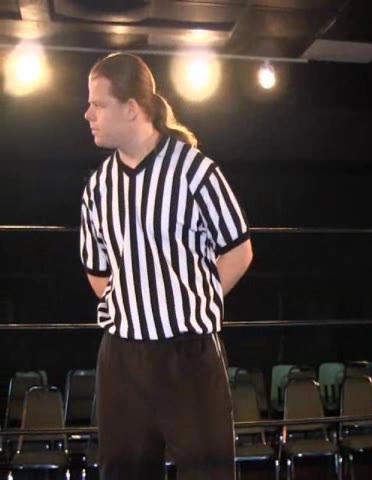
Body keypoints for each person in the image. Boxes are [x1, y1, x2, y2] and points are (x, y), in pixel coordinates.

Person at [79, 52, 253, 480]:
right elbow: (97, 269)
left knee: (208, 472)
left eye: (98, 104)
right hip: (122, 358)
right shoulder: (98, 186)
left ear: (131, 108)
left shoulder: (195, 172)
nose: (88, 114)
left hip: (188, 354)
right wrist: (135, 304)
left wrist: (190, 302)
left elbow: (239, 251)